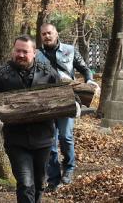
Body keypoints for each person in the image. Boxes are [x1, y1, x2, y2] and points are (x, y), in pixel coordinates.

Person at [0, 35, 80, 203]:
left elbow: (65, 92)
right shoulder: (2, 75)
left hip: (44, 139)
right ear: (13, 51)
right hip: (16, 141)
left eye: (25, 51)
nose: (21, 55)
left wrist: (75, 103)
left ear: (34, 52)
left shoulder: (47, 71)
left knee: (40, 184)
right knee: (25, 184)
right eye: (18, 51)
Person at [36, 23, 99, 190]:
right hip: (46, 101)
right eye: (44, 34)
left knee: (65, 136)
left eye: (49, 33)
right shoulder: (37, 55)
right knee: (50, 142)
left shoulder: (69, 50)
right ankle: (53, 179)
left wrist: (89, 80)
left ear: (56, 34)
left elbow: (85, 68)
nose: (47, 36)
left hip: (67, 98)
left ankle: (69, 168)